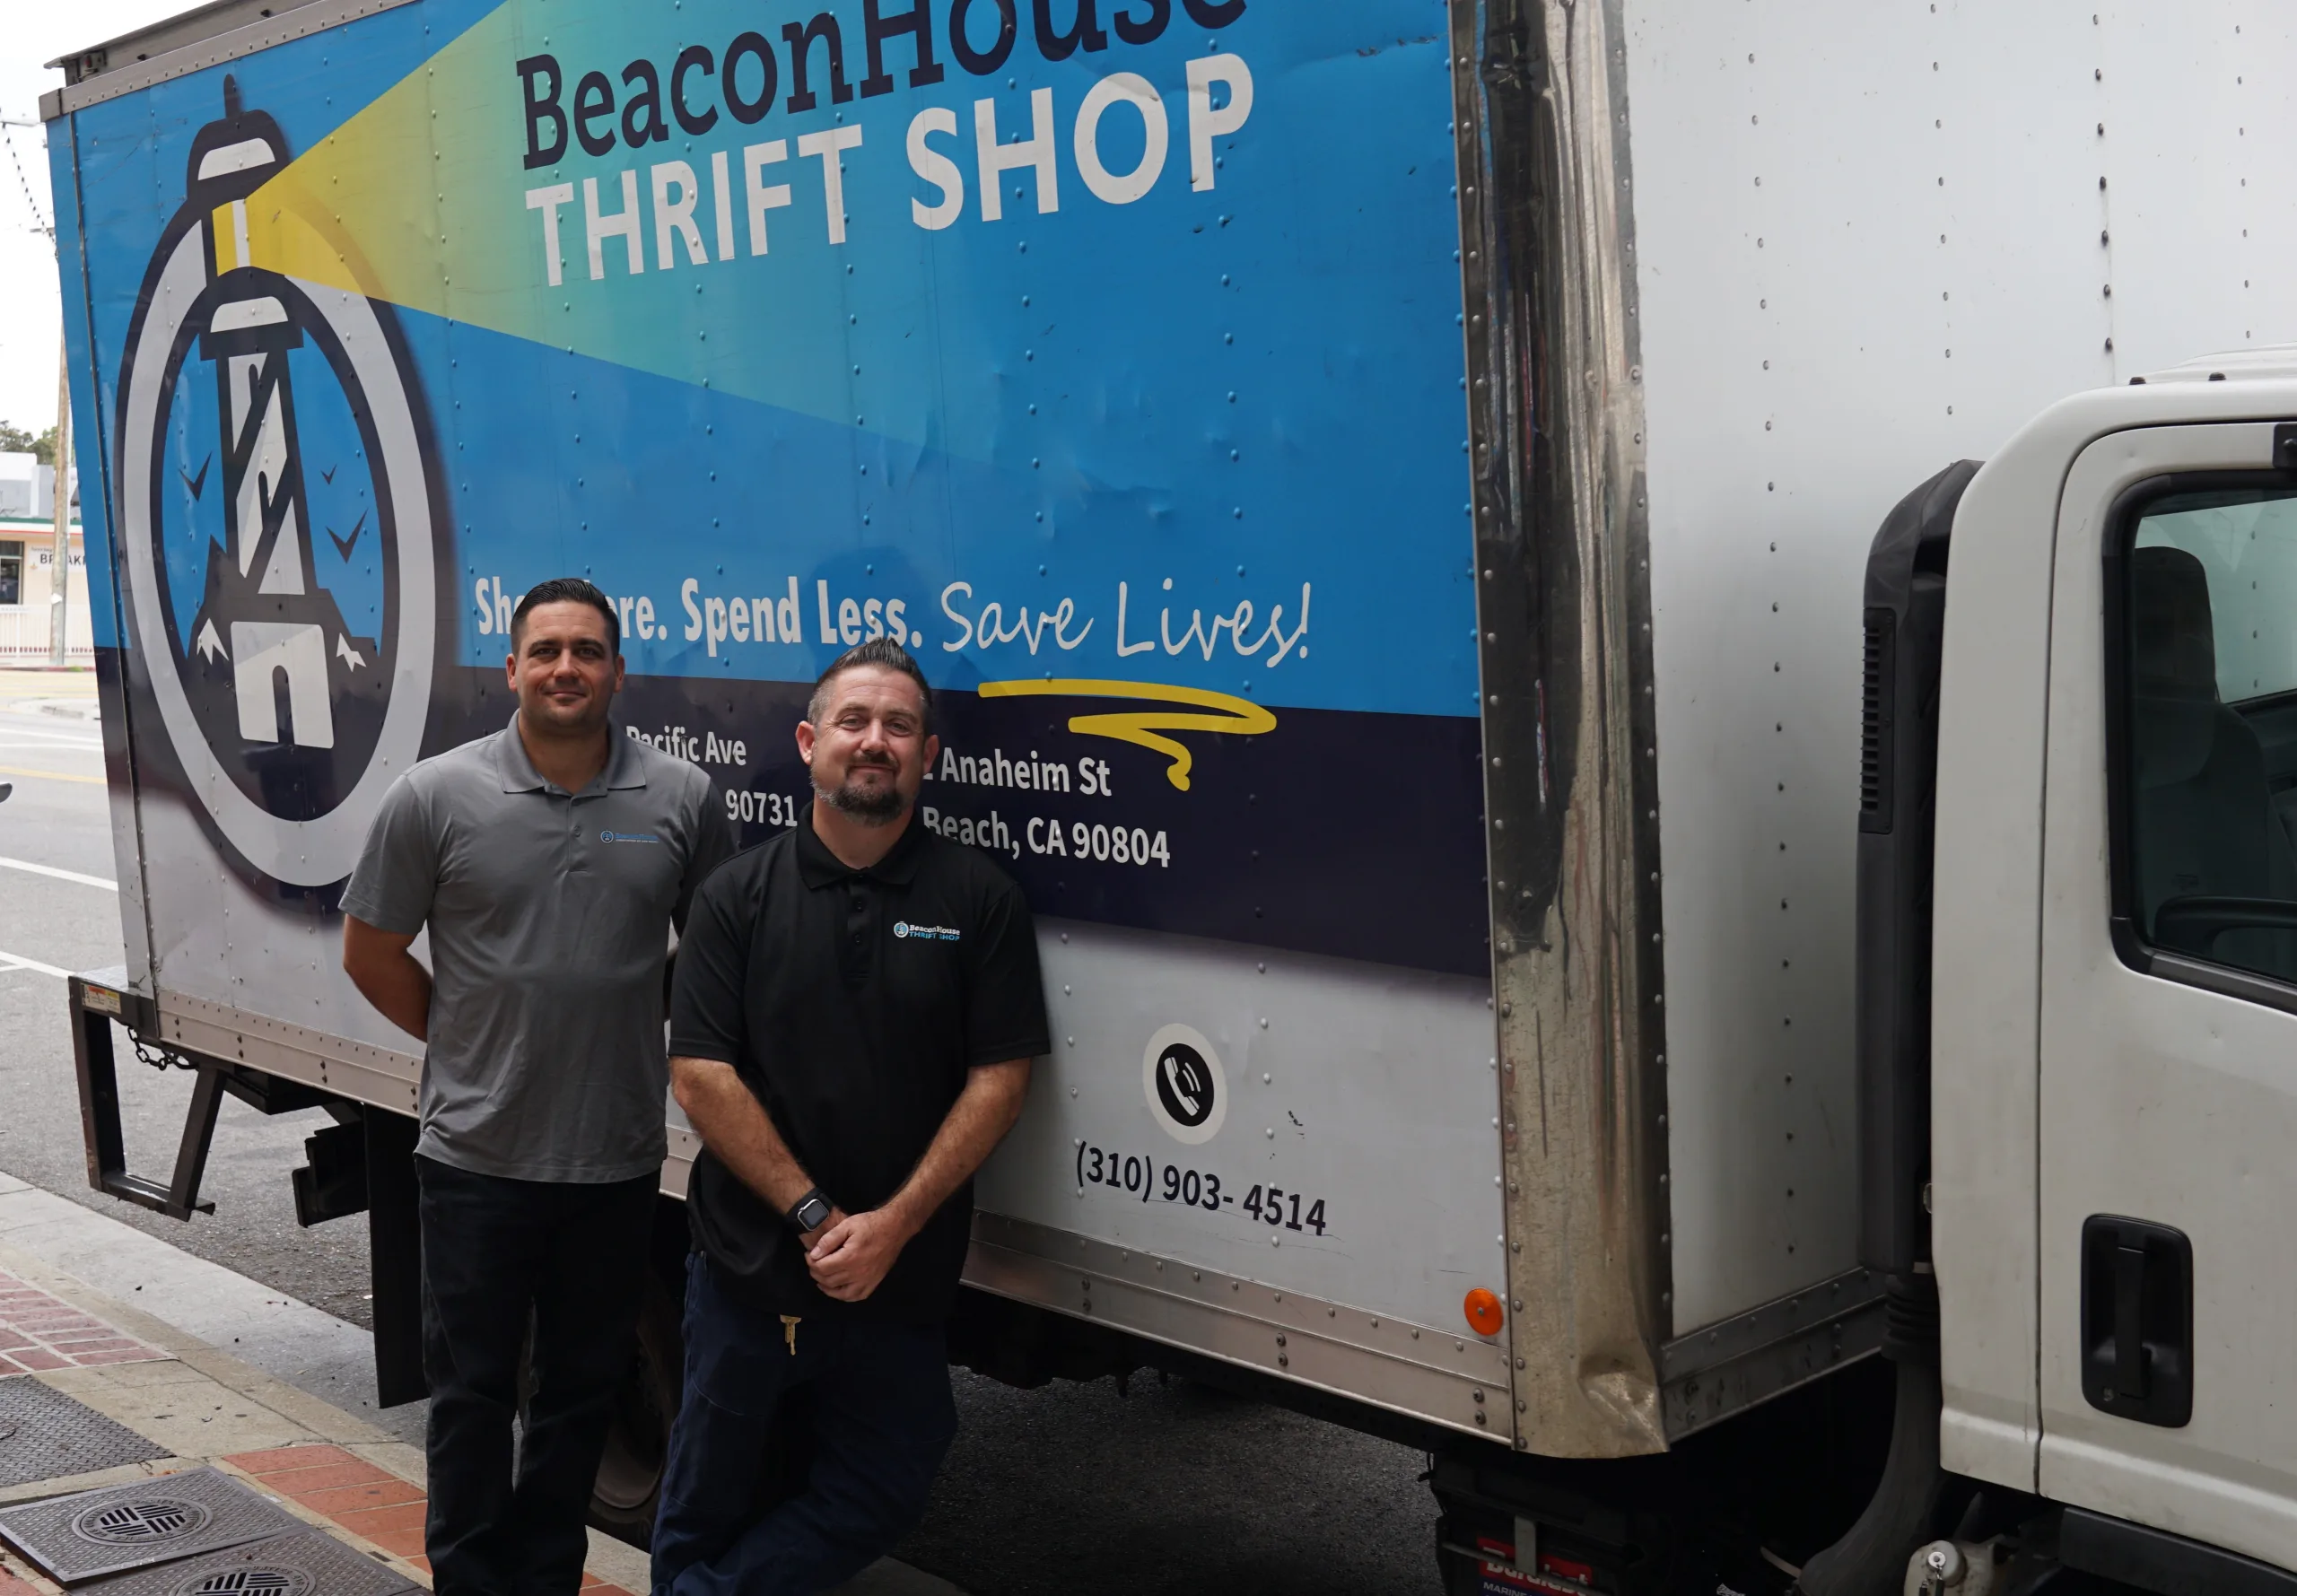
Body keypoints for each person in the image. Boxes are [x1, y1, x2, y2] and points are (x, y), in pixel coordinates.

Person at [339, 577, 734, 1596]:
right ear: (511, 669)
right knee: (471, 1398)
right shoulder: (435, 796)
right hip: (473, 1157)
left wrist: (631, 1015)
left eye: (588, 651)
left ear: (617, 670)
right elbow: (372, 949)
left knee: (578, 1399)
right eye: (547, 650)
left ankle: (547, 1580)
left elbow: (717, 950)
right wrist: (469, 1033)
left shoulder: (679, 800)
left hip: (611, 1161)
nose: (568, 668)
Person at [652, 637, 1048, 1596]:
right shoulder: (736, 897)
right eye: (854, 722)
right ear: (807, 741)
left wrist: (890, 1230)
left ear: (929, 756)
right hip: (750, 1273)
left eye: (899, 726)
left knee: (885, 1484)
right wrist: (819, 1219)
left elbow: (1000, 1079)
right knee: (706, 1501)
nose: (875, 742)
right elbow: (700, 1073)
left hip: (896, 1282)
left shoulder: (978, 899)